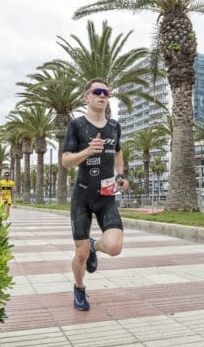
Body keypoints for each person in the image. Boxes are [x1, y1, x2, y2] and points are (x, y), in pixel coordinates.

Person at [62, 77, 129, 311]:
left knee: (114, 247)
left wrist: (121, 176)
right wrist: (88, 150)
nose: (102, 96)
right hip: (82, 197)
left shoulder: (114, 127)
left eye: (106, 93)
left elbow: (118, 153)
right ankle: (79, 289)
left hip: (106, 198)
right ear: (87, 97)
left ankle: (94, 246)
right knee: (79, 255)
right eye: (97, 92)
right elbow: (65, 161)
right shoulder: (77, 126)